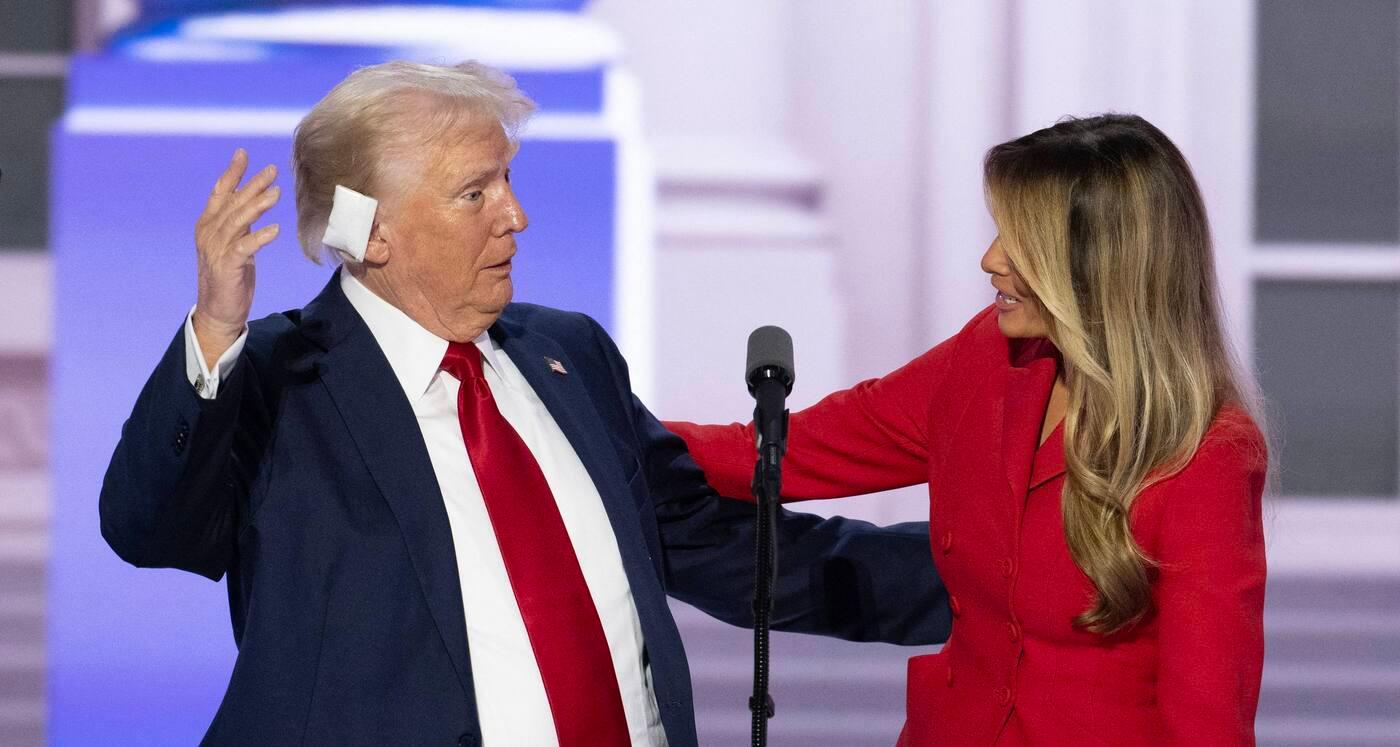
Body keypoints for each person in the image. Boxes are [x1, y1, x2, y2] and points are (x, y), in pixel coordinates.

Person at [99, 60, 950, 746]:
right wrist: (215, 327)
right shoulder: (282, 377)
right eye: (477, 192)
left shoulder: (566, 354)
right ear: (371, 232)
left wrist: (994, 575)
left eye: (507, 180)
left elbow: (727, 549)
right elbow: (149, 528)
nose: (517, 215)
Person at [667, 114, 1268, 746]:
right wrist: (593, 429)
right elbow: (787, 455)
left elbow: (1207, 721)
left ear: (1100, 264)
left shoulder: (1206, 454)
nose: (991, 260)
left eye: (1020, 241)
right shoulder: (989, 358)